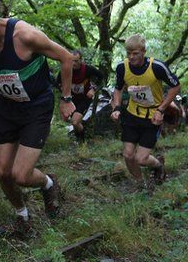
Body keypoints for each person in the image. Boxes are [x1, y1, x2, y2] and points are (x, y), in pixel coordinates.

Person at [0, 0, 73, 238]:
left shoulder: (25, 35)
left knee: (21, 174)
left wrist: (66, 99)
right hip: (6, 106)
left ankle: (48, 184)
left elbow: (66, 58)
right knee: (3, 172)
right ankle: (22, 217)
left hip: (36, 106)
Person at [109, 35, 180, 185]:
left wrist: (161, 109)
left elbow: (176, 86)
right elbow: (118, 89)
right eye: (128, 53)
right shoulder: (122, 67)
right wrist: (116, 107)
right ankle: (141, 184)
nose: (131, 57)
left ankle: (158, 166)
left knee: (141, 159)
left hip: (152, 117)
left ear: (143, 51)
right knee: (128, 155)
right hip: (132, 114)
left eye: (135, 53)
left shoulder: (157, 67)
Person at [68, 49, 103, 141]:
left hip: (85, 98)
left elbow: (101, 77)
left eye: (76, 61)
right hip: (72, 99)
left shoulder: (88, 69)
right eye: (71, 60)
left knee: (75, 122)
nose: (74, 63)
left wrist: (93, 89)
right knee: (75, 123)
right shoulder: (66, 69)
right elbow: (58, 83)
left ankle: (81, 142)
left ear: (81, 60)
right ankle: (81, 140)